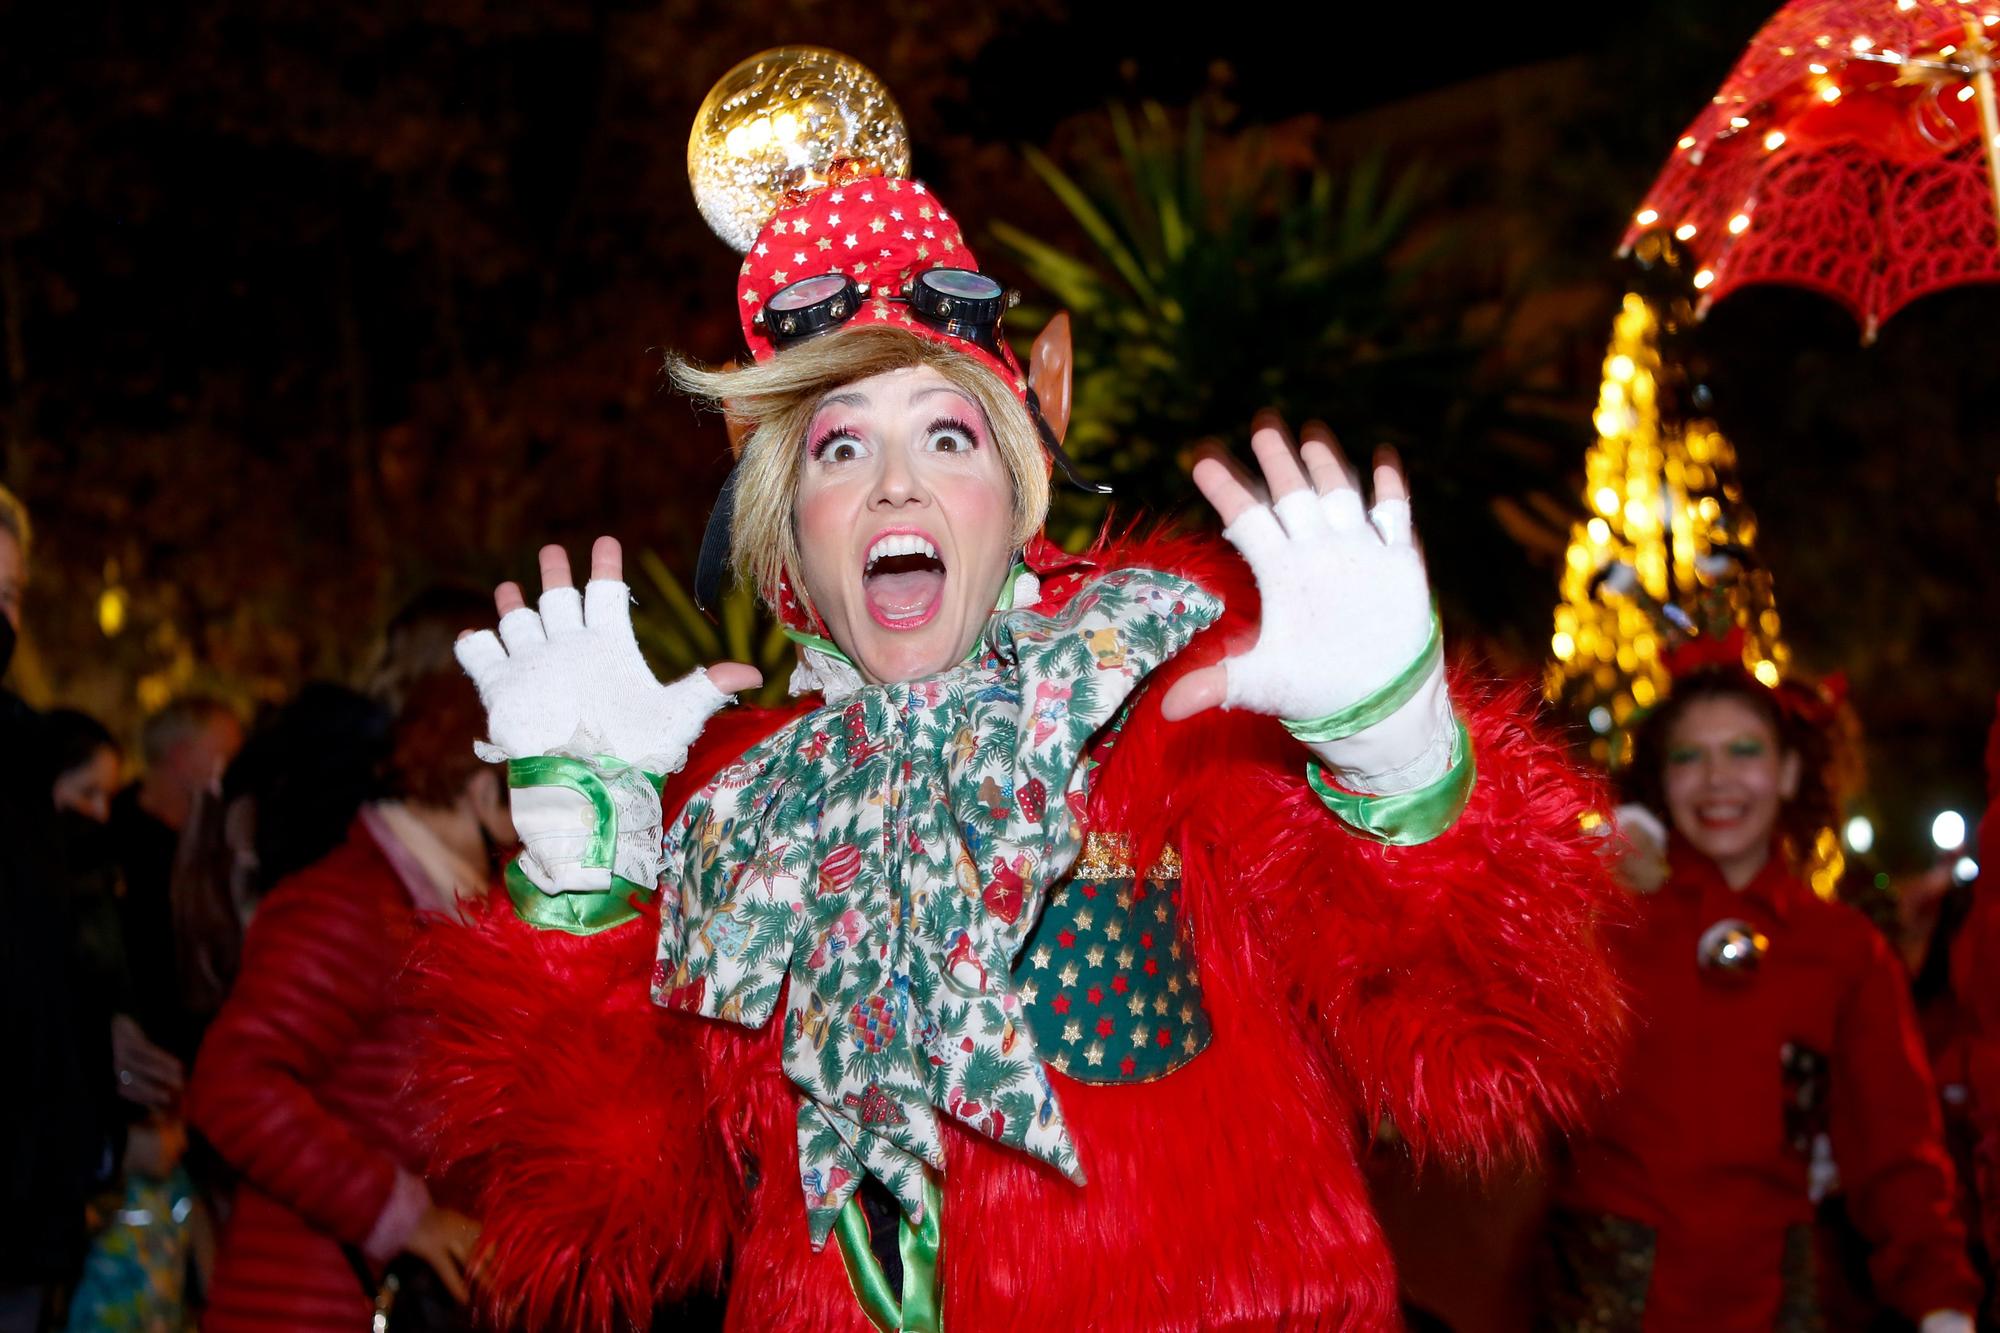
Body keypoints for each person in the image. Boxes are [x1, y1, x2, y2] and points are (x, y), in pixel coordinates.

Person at [411, 76, 1626, 1333]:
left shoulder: (1181, 704)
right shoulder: (741, 817)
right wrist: (583, 885)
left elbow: (1492, 1056)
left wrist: (1399, 761)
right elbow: (608, 1216)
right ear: (786, 529)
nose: (895, 486)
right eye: (839, 447)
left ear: (1015, 490)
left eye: (947, 435)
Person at [1545, 659, 1981, 1332]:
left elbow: (1895, 1139)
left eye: (1743, 750)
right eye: (1690, 756)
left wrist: (1939, 1296)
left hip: (1772, 1298)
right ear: (1663, 781)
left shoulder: (1843, 949)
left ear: (1787, 772)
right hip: (1603, 1294)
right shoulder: (1608, 923)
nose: (1717, 778)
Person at [187, 670, 501, 1331]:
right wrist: (398, 1213)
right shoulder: (352, 902)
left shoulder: (438, 906)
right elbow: (231, 1084)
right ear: (482, 790)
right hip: (308, 1298)